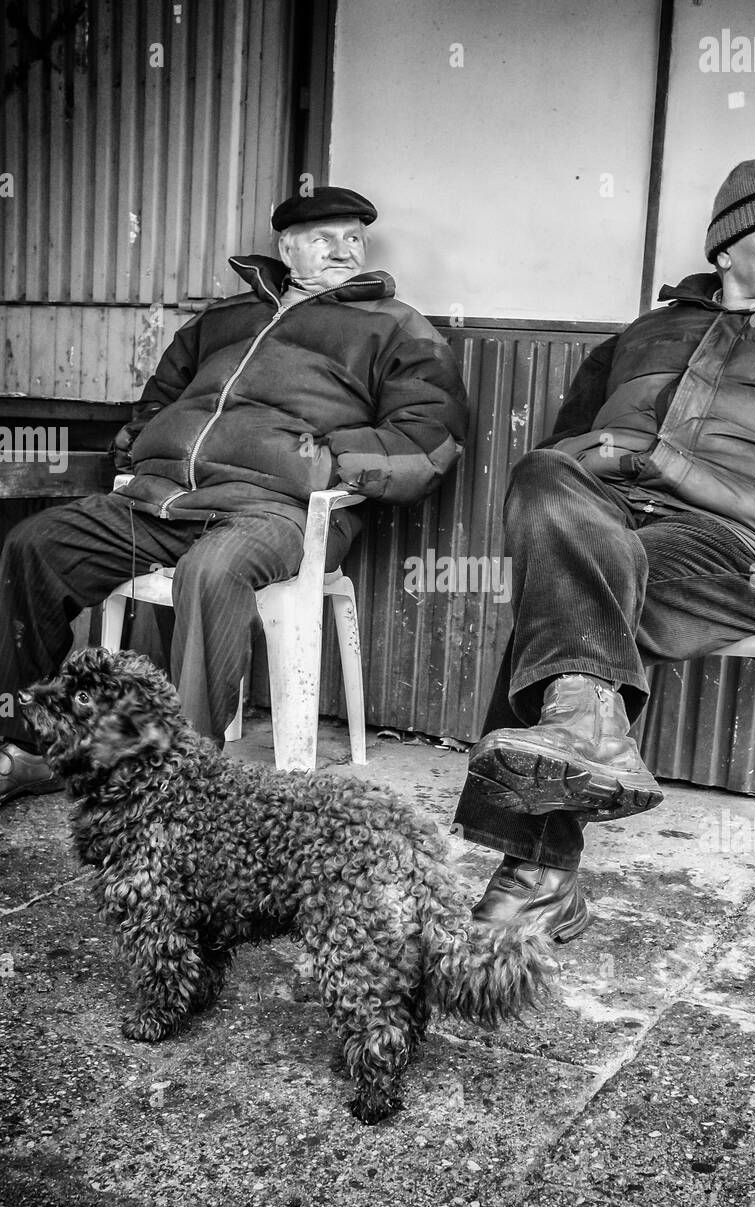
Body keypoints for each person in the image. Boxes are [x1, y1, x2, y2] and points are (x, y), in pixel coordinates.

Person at [453, 159, 755, 944]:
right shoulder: (646, 331)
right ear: (727, 252)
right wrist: (579, 488)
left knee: (572, 601)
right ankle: (582, 732)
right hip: (615, 512)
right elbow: (569, 436)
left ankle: (538, 873)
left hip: (740, 544)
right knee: (548, 480)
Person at [0, 186, 467, 804]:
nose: (342, 250)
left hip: (280, 511)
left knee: (213, 570)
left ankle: (178, 780)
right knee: (35, 544)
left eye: (353, 238)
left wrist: (319, 461)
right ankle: (29, 745)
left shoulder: (397, 327)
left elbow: (429, 440)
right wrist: (138, 456)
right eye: (323, 239)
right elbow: (157, 402)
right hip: (164, 500)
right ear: (286, 249)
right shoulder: (222, 321)